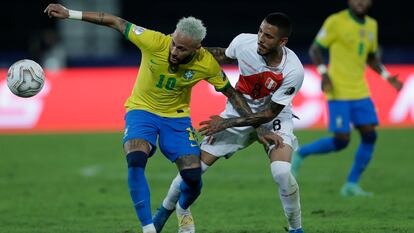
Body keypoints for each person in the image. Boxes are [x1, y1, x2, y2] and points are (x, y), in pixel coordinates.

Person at [44, 4, 280, 233]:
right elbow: (116, 21)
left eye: (182, 49)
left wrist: (257, 128)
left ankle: (183, 208)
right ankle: (148, 227)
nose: (174, 52)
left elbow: (233, 94)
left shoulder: (205, 63)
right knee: (135, 157)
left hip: (176, 119)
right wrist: (70, 13)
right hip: (141, 110)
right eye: (174, 44)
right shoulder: (154, 41)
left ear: (197, 49)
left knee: (193, 177)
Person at [153, 13, 304, 233]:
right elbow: (221, 55)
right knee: (193, 169)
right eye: (260, 31)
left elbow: (270, 113)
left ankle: (296, 229)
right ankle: (165, 212)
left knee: (281, 172)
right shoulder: (244, 42)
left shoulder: (293, 71)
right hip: (237, 111)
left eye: (268, 36)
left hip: (272, 118)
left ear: (282, 42)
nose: (261, 38)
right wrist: (194, 50)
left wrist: (226, 124)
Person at [291, 0, 403, 197]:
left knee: (370, 135)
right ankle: (301, 153)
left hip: (360, 91)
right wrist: (324, 73)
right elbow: (315, 49)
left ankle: (351, 185)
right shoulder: (336, 21)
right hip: (338, 90)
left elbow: (371, 57)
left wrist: (387, 77)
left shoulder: (372, 25)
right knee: (342, 140)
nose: (360, 2)